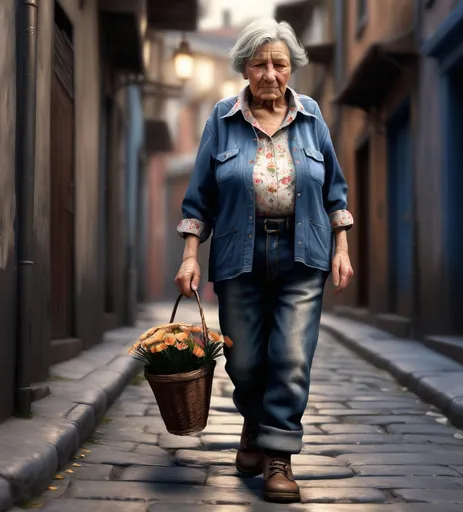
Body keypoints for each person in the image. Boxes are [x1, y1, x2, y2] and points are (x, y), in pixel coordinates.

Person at [174, 18, 353, 503]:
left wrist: (341, 247)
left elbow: (334, 190)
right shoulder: (221, 118)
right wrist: (191, 256)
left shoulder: (312, 117)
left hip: (304, 252)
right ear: (244, 69)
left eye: (279, 64)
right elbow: (200, 197)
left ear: (291, 67)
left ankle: (278, 456)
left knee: (291, 357)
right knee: (246, 360)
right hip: (239, 253)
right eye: (259, 64)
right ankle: (253, 422)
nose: (270, 74)